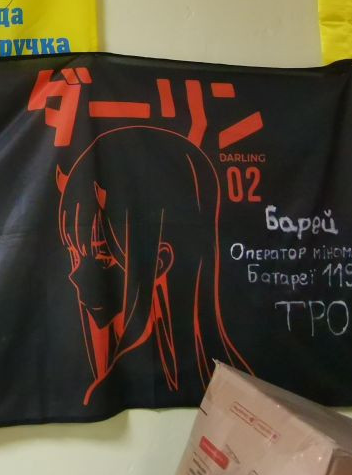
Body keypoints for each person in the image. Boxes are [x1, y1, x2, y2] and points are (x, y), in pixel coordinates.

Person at [55, 125, 251, 405]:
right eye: (75, 254)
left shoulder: (114, 383)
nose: (74, 275)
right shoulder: (240, 380)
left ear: (161, 261)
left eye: (103, 255)